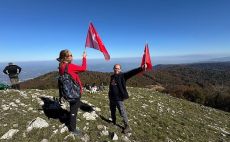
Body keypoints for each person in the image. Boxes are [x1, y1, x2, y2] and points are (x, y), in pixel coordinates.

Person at [108, 63, 147, 133]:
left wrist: (141, 68)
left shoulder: (123, 76)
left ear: (120, 69)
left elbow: (132, 72)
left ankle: (127, 126)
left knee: (122, 112)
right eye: (115, 68)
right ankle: (113, 121)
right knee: (112, 111)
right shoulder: (112, 76)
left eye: (118, 68)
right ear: (113, 69)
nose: (116, 69)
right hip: (112, 98)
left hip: (119, 98)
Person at [57, 49, 87, 136]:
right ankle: (72, 128)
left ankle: (71, 117)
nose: (72, 57)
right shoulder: (69, 66)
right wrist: (84, 58)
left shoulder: (61, 65)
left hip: (68, 92)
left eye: (71, 55)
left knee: (73, 106)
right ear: (65, 57)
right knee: (74, 110)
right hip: (74, 92)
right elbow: (83, 68)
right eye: (70, 55)